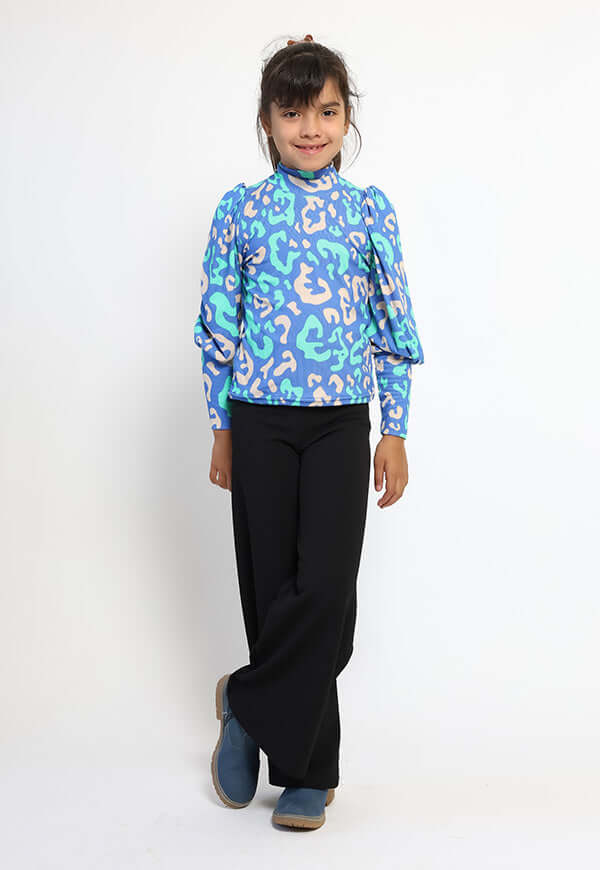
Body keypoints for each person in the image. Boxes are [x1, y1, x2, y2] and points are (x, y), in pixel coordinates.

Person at [193, 34, 425, 831]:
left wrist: (394, 429)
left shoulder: (367, 211)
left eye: (326, 111)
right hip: (259, 420)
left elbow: (393, 327)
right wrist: (221, 427)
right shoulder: (242, 210)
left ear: (346, 117)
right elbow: (217, 328)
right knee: (273, 594)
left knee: (326, 598)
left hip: (338, 424)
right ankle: (307, 774)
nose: (311, 128)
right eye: (292, 113)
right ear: (267, 120)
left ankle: (246, 701)